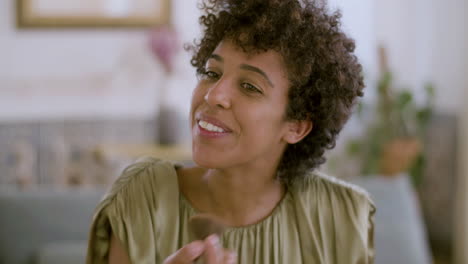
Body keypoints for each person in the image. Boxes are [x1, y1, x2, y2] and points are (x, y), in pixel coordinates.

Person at [86, 0, 375, 263]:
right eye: (212, 73)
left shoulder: (343, 216)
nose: (213, 95)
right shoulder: (144, 197)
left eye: (249, 86)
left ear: (296, 126)